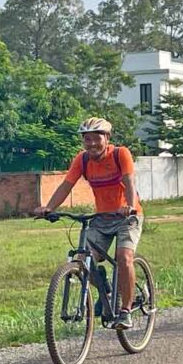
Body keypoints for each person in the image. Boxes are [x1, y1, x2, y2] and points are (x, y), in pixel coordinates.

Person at [34, 117, 143, 330]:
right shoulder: (82, 160)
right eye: (87, 139)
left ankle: (126, 311)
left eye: (96, 138)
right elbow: (67, 185)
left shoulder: (121, 154)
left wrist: (129, 206)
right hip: (101, 218)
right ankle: (107, 293)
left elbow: (129, 182)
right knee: (85, 259)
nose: (92, 143)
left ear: (107, 138)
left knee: (124, 257)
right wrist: (49, 207)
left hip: (127, 216)